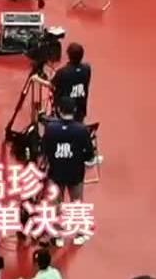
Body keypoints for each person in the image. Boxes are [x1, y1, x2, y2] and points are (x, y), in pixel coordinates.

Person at [42, 96, 96, 246]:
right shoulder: (82, 130)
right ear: (75, 110)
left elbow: (44, 151)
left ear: (59, 110)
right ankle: (79, 234)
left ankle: (58, 236)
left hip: (56, 173)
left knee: (56, 206)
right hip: (75, 174)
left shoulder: (51, 129)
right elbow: (89, 155)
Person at [31, 42, 91, 121]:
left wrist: (37, 79)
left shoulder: (63, 72)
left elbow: (51, 85)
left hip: (65, 109)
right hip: (80, 109)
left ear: (68, 55)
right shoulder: (87, 69)